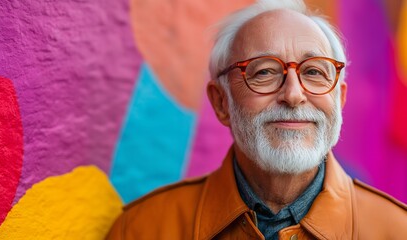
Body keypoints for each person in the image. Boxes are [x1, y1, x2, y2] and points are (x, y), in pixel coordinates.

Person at [107, 0, 407, 239]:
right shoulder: (142, 230)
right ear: (221, 102)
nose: (293, 94)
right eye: (264, 72)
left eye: (314, 72)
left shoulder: (396, 231)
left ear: (339, 100)